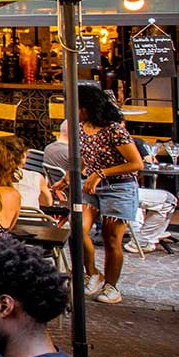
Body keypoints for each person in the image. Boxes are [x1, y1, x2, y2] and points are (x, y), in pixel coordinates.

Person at [66, 82, 143, 306]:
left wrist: (101, 172)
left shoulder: (114, 130)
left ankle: (112, 286)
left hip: (119, 188)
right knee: (77, 230)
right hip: (90, 185)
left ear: (87, 107)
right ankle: (92, 272)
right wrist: (67, 178)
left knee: (111, 240)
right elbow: (83, 158)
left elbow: (136, 163)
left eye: (75, 106)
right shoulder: (79, 128)